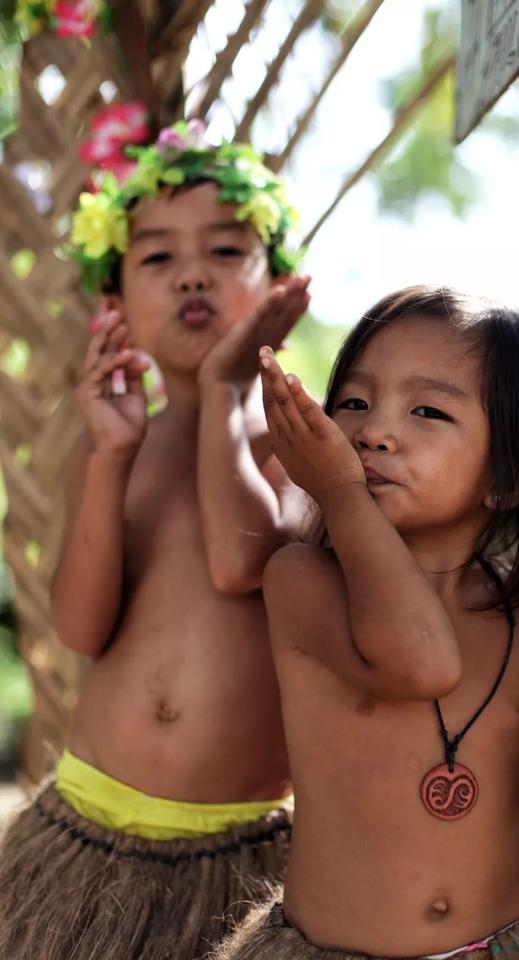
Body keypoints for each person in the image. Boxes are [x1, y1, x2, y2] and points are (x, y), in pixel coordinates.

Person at [215, 286, 519, 960]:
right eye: (354, 404)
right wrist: (342, 494)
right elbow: (422, 661)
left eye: (427, 410)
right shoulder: (303, 582)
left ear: (507, 479)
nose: (374, 431)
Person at [0, 120, 310, 960]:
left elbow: (240, 559)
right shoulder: (108, 443)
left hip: (237, 852)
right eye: (157, 257)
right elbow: (80, 627)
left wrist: (225, 390)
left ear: (280, 284)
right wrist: (110, 457)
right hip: (84, 828)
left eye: (223, 250)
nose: (192, 275)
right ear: (114, 302)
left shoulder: (301, 440)